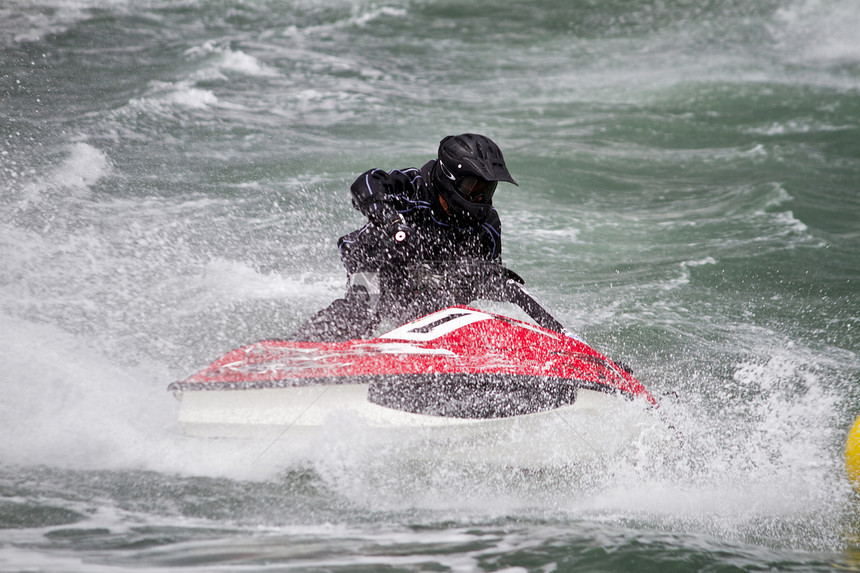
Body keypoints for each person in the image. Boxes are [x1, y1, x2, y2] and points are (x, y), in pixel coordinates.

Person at [289, 133, 519, 342]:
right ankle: (295, 350)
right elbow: (364, 185)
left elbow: (482, 278)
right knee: (360, 314)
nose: (480, 198)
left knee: (442, 318)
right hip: (372, 263)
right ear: (449, 178)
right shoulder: (414, 186)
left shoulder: (487, 226)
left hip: (425, 283)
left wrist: (486, 278)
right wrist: (393, 225)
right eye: (473, 187)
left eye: (487, 189)